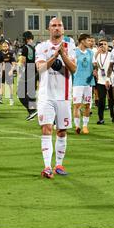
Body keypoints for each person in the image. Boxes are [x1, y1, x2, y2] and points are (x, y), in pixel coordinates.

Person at [36, 18, 77, 179]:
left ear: (64, 29)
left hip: (64, 96)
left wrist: (63, 55)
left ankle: (59, 164)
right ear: (49, 29)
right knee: (46, 129)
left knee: (62, 131)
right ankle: (47, 167)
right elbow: (40, 68)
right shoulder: (42, 47)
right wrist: (54, 56)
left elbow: (73, 69)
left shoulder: (71, 47)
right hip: (46, 96)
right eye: (54, 25)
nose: (57, 28)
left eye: (59, 25)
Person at [72, 34, 96, 134]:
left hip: (88, 82)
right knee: (77, 105)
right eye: (88, 40)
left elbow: (94, 64)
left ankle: (85, 126)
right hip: (77, 82)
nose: (89, 42)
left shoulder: (90, 52)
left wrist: (95, 67)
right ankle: (77, 126)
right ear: (82, 41)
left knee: (87, 105)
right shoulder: (74, 52)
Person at [17, 31, 37, 121]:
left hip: (28, 71)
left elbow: (23, 62)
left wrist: (20, 72)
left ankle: (33, 109)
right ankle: (32, 112)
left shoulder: (25, 48)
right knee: (31, 93)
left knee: (21, 93)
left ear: (26, 39)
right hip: (35, 71)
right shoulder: (35, 48)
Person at [95, 39, 114, 125]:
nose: (103, 45)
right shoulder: (96, 55)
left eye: (105, 44)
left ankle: (113, 116)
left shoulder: (111, 55)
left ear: (108, 46)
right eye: (101, 44)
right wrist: (96, 53)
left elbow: (111, 67)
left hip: (111, 80)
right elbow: (94, 64)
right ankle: (101, 118)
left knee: (111, 100)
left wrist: (108, 79)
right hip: (100, 81)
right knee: (101, 100)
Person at [0, 40, 16, 106]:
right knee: (1, 86)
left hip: (9, 72)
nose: (4, 47)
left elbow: (14, 64)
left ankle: (11, 99)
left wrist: (11, 71)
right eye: (3, 46)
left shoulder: (11, 53)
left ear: (8, 46)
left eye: (6, 46)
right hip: (2, 72)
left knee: (10, 86)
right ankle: (0, 98)